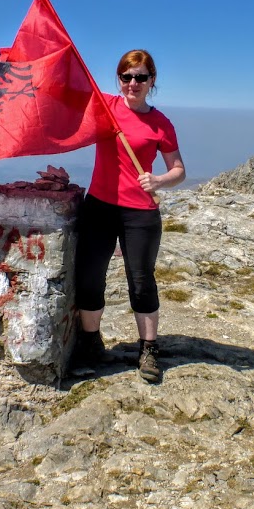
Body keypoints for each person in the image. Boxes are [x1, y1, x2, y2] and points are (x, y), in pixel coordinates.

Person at [73, 49, 186, 382]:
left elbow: (178, 170)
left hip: (141, 212)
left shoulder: (161, 124)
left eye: (140, 77)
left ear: (152, 80)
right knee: (90, 276)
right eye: (126, 76)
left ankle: (148, 349)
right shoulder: (105, 107)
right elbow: (69, 92)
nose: (133, 83)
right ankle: (91, 343)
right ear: (119, 79)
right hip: (99, 206)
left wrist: (159, 181)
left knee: (141, 281)